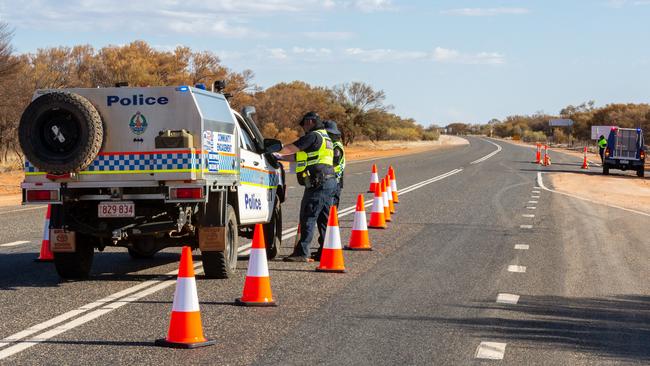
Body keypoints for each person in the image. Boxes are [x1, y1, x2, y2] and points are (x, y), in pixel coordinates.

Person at [273, 112, 337, 262]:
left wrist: (275, 152)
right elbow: (298, 157)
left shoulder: (313, 135)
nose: (303, 128)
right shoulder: (325, 138)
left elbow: (292, 148)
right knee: (324, 218)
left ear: (310, 122)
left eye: (304, 124)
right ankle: (326, 251)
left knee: (308, 215)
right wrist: (280, 157)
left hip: (319, 182)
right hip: (329, 181)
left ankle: (302, 252)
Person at [323, 120, 345, 208]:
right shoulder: (328, 144)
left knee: (332, 204)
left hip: (336, 178)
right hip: (329, 176)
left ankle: (333, 221)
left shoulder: (336, 146)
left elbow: (335, 161)